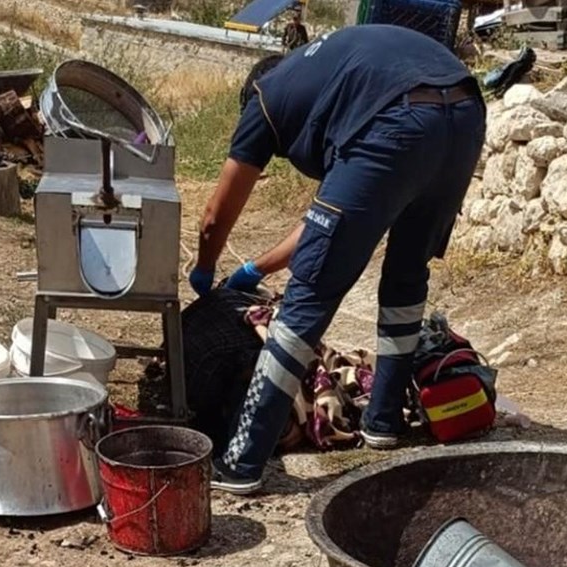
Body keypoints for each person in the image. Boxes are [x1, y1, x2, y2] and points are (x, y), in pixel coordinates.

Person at [187, 24, 487, 495]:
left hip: (397, 122)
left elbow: (213, 217)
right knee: (407, 278)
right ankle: (384, 423)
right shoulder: (336, 74)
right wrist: (255, 269)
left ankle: (242, 461)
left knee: (308, 297)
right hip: (465, 116)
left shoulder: (264, 98)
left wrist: (204, 271)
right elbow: (324, 225)